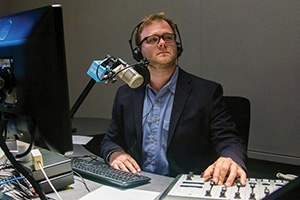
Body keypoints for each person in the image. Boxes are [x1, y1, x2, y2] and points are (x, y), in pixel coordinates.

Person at [100, 12, 247, 187]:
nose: (162, 43)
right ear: (138, 52)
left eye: (168, 37)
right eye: (152, 39)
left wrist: (230, 158)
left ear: (177, 45)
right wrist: (115, 153)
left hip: (184, 186)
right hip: (136, 185)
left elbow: (229, 139)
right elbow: (110, 140)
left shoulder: (206, 92)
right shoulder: (125, 94)